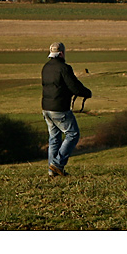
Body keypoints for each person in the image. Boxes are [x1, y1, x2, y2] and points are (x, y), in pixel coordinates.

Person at [41, 41, 92, 178]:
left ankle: (52, 171)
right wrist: (87, 93)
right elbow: (74, 87)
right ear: (62, 53)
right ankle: (57, 164)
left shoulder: (45, 67)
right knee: (73, 134)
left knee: (54, 139)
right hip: (60, 109)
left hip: (46, 108)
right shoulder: (64, 68)